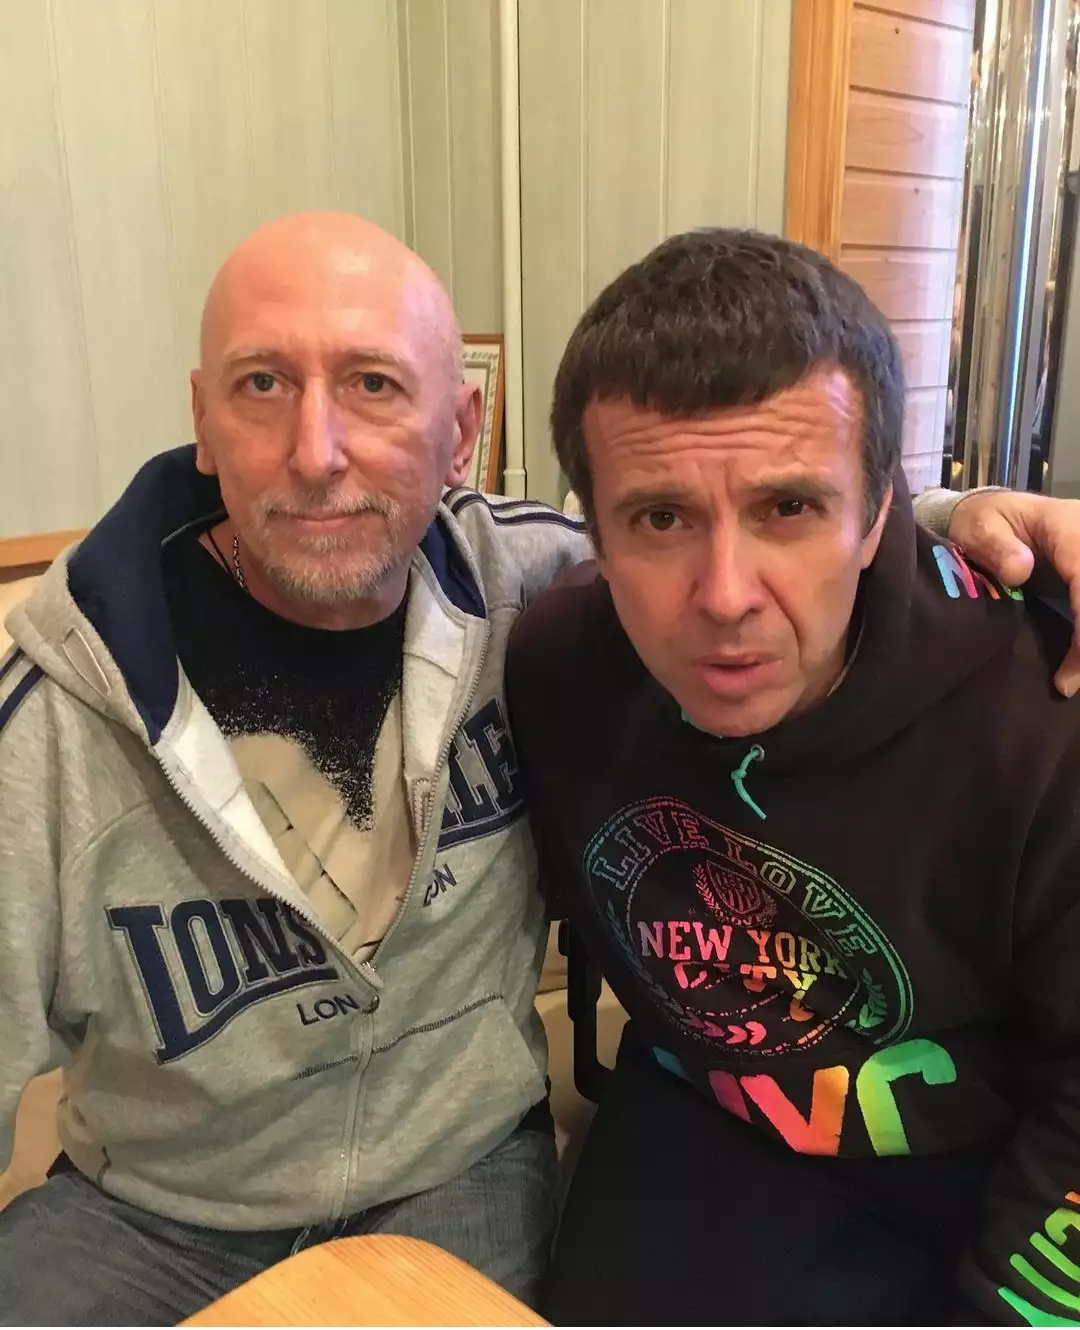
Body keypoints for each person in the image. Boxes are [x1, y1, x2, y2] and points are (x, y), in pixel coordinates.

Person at [0, 213, 1076, 1327]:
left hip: (475, 1170)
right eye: (263, 383)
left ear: (460, 432)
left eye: (374, 384)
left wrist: (984, 531)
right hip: (159, 1211)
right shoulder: (557, 640)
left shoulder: (1037, 715)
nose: (723, 595)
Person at [506, 228, 1080, 1326]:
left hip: (992, 1168)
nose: (726, 595)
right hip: (701, 1123)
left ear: (875, 513)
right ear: (596, 534)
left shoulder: (1044, 714)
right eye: (661, 518)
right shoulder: (555, 666)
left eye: (789, 509)